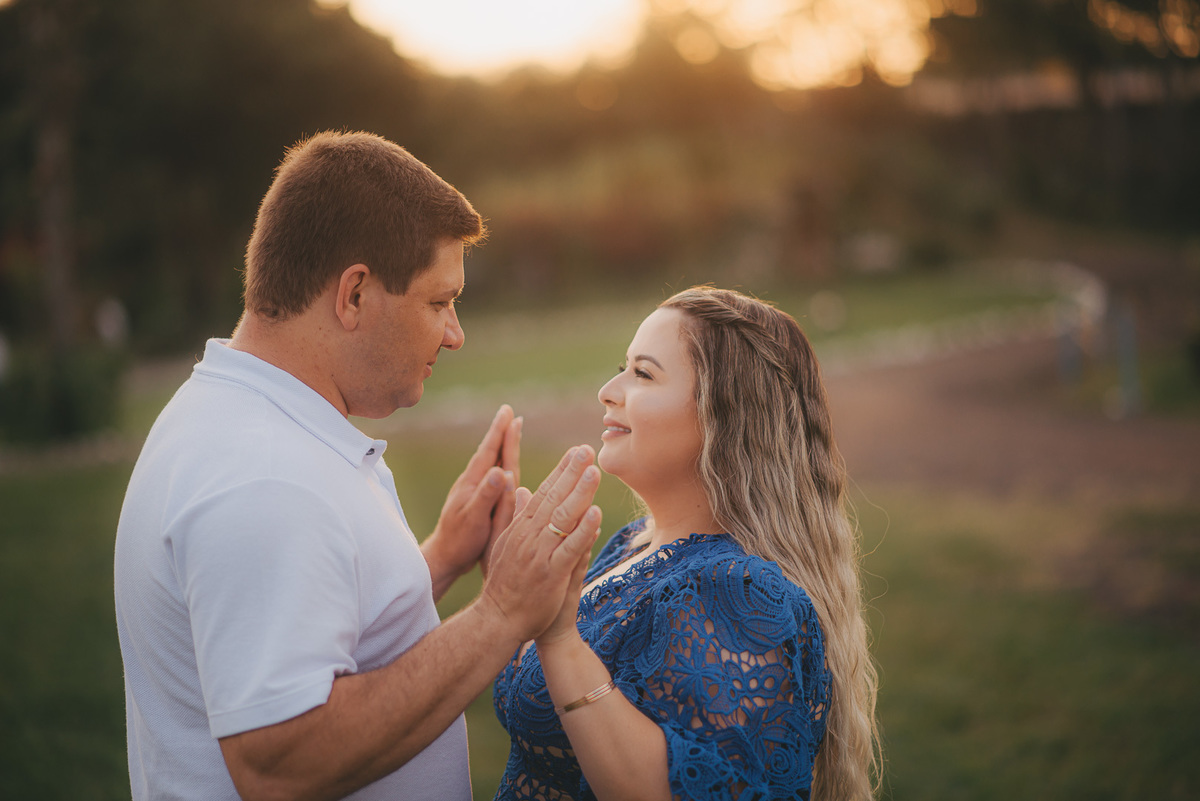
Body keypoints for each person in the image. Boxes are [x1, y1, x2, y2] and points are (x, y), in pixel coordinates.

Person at [113, 130, 603, 801]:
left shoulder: (240, 412)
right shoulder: (266, 476)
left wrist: (437, 561)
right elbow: (282, 761)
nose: (455, 333)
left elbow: (307, 633)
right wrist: (501, 612)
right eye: (439, 301)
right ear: (354, 295)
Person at [492, 286, 881, 800]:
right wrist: (505, 581)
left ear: (724, 416)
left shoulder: (744, 593)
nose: (608, 390)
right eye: (622, 367)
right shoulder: (629, 548)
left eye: (643, 374)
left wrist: (560, 641)